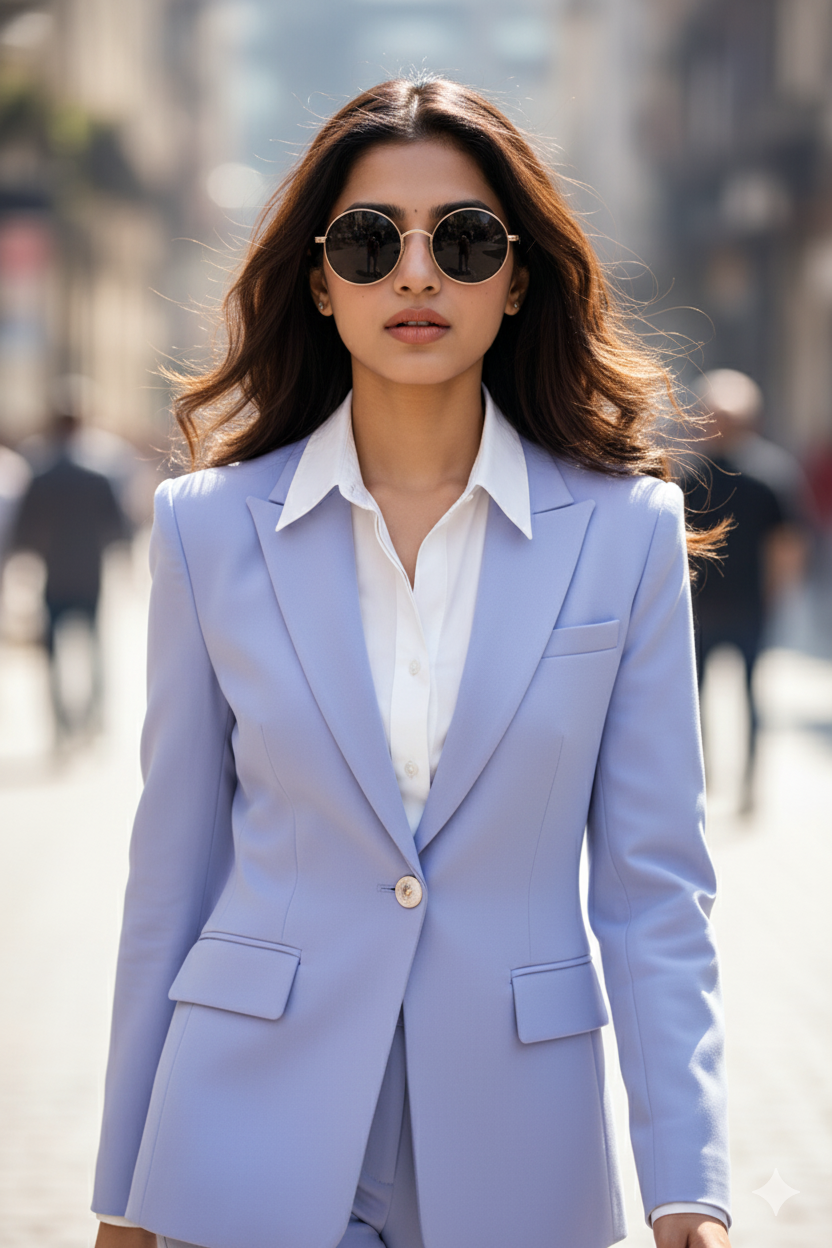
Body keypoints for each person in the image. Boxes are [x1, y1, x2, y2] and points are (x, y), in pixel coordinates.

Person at [92, 77, 731, 1248]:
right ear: (321, 282)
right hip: (238, 1129)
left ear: (519, 276)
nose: (418, 274)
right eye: (371, 241)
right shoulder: (205, 527)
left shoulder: (625, 531)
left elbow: (654, 889)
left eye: (467, 239)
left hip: (516, 1146)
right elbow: (169, 878)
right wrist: (124, 1191)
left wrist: (687, 1181)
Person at [683, 369, 808, 813]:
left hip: (749, 605)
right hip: (694, 610)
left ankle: (750, 785)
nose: (717, 425)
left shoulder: (770, 476)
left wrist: (778, 597)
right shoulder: (685, 476)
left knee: (752, 696)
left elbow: (786, 545)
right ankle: (701, 780)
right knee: (691, 703)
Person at [12, 411, 128, 742]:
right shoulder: (98, 475)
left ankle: (61, 724)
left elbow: (24, 534)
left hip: (55, 576)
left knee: (53, 653)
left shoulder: (40, 475)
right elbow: (117, 529)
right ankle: (94, 717)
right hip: (90, 574)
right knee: (94, 647)